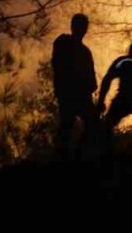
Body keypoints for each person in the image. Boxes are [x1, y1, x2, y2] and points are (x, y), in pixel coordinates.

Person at [51, 13, 97, 158]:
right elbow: (57, 65)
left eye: (84, 26)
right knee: (67, 127)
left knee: (91, 125)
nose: (82, 29)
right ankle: (63, 159)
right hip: (68, 93)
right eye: (80, 25)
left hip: (81, 95)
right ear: (73, 26)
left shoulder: (85, 52)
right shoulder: (63, 41)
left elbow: (92, 80)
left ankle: (77, 155)